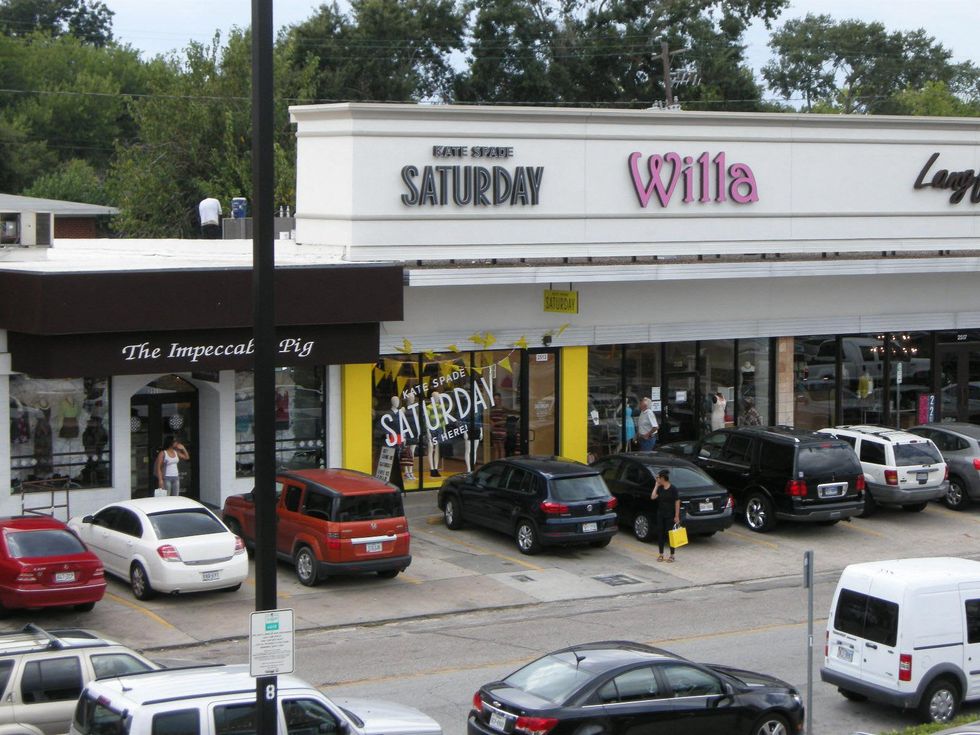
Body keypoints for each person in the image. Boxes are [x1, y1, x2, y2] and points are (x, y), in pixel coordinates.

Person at [651, 469, 681, 562]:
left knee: (671, 535)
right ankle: (661, 554)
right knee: (660, 534)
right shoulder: (660, 488)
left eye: (658, 478)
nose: (657, 479)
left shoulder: (673, 489)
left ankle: (672, 555)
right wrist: (656, 485)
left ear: (663, 478)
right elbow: (652, 497)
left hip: (670, 515)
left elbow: (677, 502)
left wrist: (677, 516)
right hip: (660, 514)